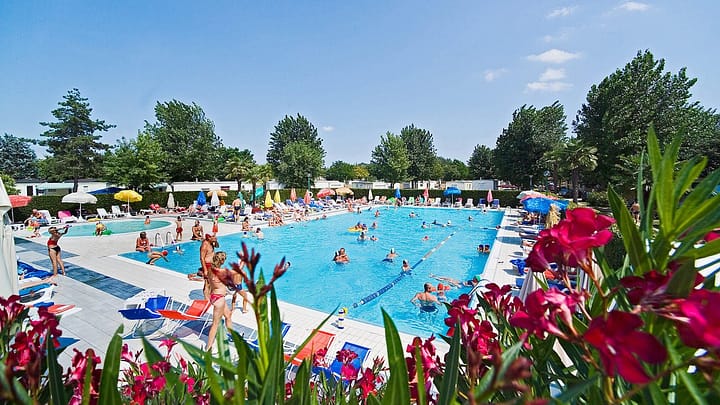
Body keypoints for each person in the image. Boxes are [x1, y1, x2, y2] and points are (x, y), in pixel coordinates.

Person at [205, 251, 235, 350]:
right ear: (222, 261)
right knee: (215, 324)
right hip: (219, 299)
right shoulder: (222, 272)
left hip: (214, 296)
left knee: (228, 315)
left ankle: (232, 336)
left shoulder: (210, 269)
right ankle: (208, 348)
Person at [200, 234, 219, 299]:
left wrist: (215, 241)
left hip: (212, 265)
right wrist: (205, 270)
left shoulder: (211, 242)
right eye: (213, 236)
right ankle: (206, 299)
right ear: (209, 238)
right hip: (207, 265)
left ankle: (210, 297)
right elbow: (202, 258)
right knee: (207, 283)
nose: (215, 237)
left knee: (211, 282)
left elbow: (217, 246)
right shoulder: (205, 245)